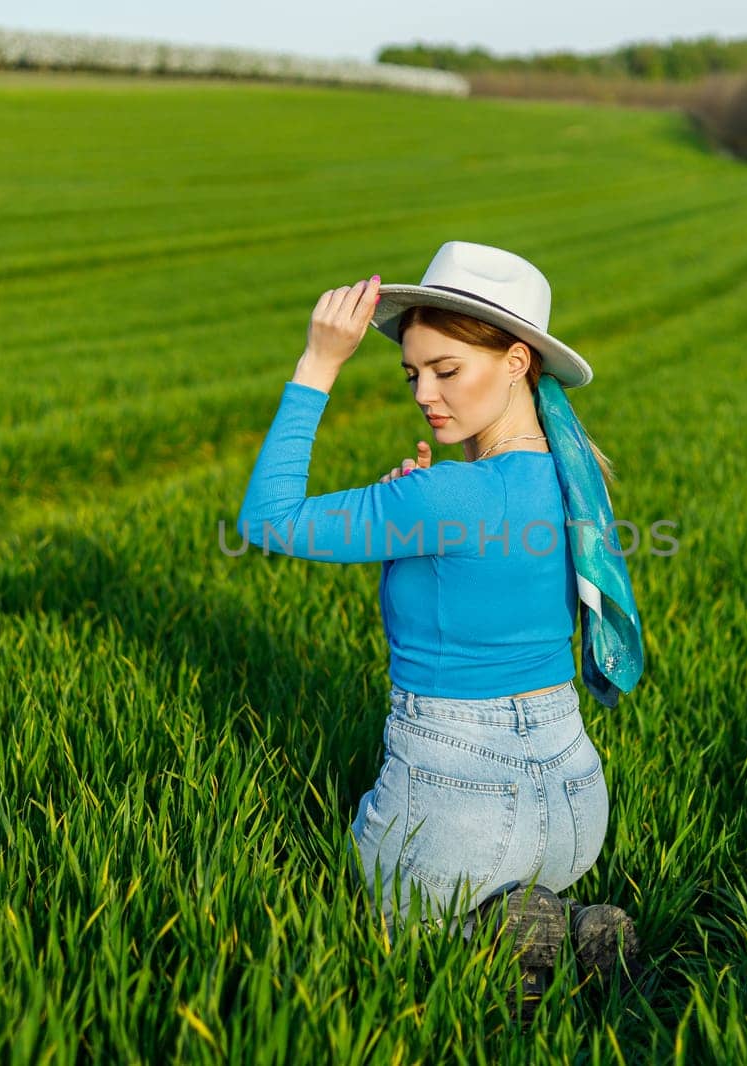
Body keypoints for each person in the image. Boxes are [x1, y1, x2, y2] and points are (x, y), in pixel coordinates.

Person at [235, 242, 645, 1014]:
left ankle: (496, 937)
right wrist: (415, 522)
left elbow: (267, 520)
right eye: (413, 373)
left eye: (446, 370)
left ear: (519, 361)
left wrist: (319, 363)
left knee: (375, 922)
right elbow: (480, 573)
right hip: (576, 805)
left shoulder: (449, 496)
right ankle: (562, 921)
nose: (425, 392)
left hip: (455, 810)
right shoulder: (574, 480)